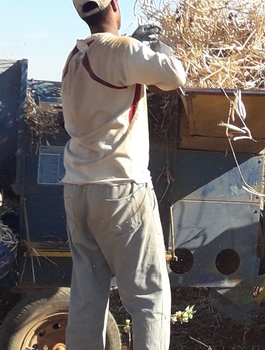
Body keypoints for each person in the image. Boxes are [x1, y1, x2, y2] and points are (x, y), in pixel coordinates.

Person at [60, 0, 186, 349]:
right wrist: (157, 47)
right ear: (114, 5)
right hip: (120, 189)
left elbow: (107, 69)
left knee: (87, 296)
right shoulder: (122, 50)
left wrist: (131, 42)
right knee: (148, 296)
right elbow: (175, 76)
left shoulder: (74, 57)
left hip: (77, 189)